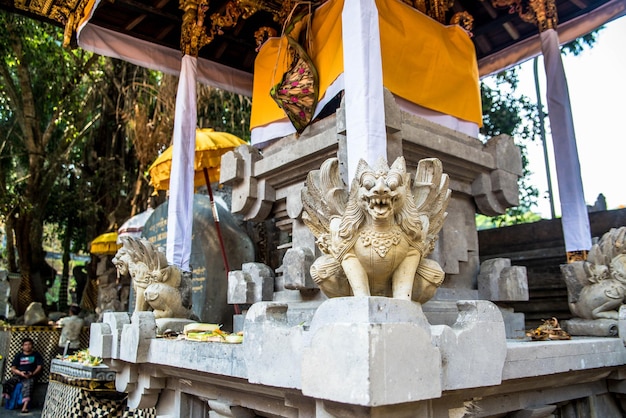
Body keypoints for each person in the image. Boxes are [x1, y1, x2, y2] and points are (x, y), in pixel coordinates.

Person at [2, 337, 44, 413]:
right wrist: (20, 373)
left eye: (29, 344)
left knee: (28, 385)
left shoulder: (36, 355)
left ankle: (24, 407)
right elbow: (13, 368)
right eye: (25, 345)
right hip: (19, 374)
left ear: (32, 345)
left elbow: (39, 367)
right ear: (22, 346)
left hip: (31, 375)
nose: (27, 346)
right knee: (7, 383)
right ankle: (9, 402)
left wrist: (32, 373)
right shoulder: (19, 355)